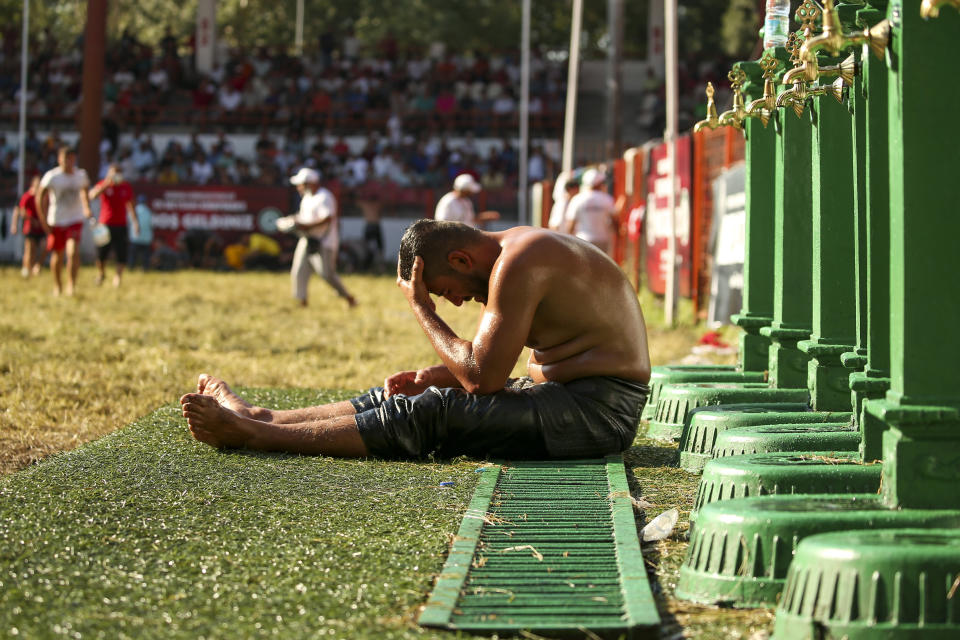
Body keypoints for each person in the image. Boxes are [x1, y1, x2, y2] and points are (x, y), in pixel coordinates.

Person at [180, 219, 651, 461]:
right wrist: (443, 374)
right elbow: (494, 367)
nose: (457, 303)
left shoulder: (521, 262)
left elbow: (484, 380)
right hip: (571, 399)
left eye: (448, 291)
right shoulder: (517, 251)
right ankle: (261, 416)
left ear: (462, 260)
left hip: (600, 415)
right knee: (416, 391)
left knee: (437, 409)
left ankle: (257, 435)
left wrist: (420, 307)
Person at [278, 167, 357, 308]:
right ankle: (301, 301)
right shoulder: (307, 198)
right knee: (299, 269)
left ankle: (348, 297)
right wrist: (293, 221)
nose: (298, 188)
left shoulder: (324, 197)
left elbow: (327, 219)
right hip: (307, 240)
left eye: (301, 184)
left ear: (310, 183)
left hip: (324, 242)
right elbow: (304, 217)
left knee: (327, 274)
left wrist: (306, 226)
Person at [37, 146, 92, 296]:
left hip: (75, 219)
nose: (69, 162)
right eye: (66, 159)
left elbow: (85, 192)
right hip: (57, 220)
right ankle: (57, 286)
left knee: (73, 251)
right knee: (58, 254)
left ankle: (71, 285)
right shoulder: (52, 176)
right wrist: (43, 218)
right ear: (59, 159)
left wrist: (87, 208)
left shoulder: (81, 175)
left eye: (72, 159)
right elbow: (39, 196)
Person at [89, 163, 140, 287]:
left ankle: (118, 278)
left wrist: (135, 222)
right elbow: (92, 195)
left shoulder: (126, 187)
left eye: (118, 173)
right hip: (104, 224)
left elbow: (131, 205)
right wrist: (107, 183)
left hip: (121, 225)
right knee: (101, 254)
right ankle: (101, 273)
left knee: (121, 253)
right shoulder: (104, 184)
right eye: (113, 173)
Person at [563, 168, 618, 256]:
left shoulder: (577, 199)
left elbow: (571, 225)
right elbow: (615, 221)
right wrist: (618, 235)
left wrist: (567, 243)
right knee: (601, 267)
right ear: (599, 184)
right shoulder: (607, 199)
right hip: (602, 239)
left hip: (582, 240)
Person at [9, 175, 46, 277]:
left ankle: (37, 266)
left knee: (44, 247)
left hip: (41, 227)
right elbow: (21, 210)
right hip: (30, 227)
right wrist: (32, 221)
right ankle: (27, 269)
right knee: (30, 249)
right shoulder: (27, 196)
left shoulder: (43, 196)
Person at [434, 173, 499, 228]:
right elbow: (441, 224)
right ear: (464, 190)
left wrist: (484, 217)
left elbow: (470, 220)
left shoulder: (466, 201)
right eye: (470, 190)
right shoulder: (448, 201)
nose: (472, 193)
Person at [128, 195, 153, 271]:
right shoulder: (148, 211)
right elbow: (151, 224)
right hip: (146, 238)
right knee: (145, 256)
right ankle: (146, 268)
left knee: (133, 256)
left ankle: (131, 268)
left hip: (135, 237)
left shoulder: (134, 210)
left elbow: (129, 222)